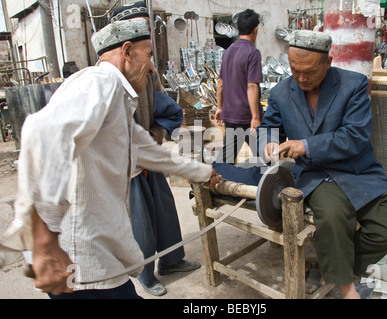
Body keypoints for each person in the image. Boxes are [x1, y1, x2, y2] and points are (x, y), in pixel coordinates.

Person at [1, 18, 221, 299]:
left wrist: (203, 173)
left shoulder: (117, 99)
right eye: (149, 55)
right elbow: (42, 132)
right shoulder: (100, 82)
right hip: (78, 259)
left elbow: (151, 152)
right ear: (127, 51)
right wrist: (45, 240)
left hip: (89, 256)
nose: (153, 68)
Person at [258, 30, 387, 299]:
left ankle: (337, 267)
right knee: (333, 217)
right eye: (294, 70)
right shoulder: (280, 92)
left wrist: (306, 145)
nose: (301, 78)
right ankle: (346, 288)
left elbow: (355, 135)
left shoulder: (354, 84)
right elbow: (268, 128)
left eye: (309, 71)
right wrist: (268, 144)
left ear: (328, 62)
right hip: (314, 175)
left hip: (357, 170)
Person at [110, 2, 200, 297]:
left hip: (150, 151)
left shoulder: (148, 67)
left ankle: (172, 261)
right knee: (140, 222)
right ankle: (144, 274)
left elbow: (164, 102)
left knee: (165, 211)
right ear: (124, 44)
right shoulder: (108, 78)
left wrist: (158, 135)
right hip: (129, 164)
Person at [214, 9, 263, 164]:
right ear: (255, 30)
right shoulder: (253, 53)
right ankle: (269, 185)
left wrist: (219, 107)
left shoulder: (228, 51)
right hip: (246, 117)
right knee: (266, 159)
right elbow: (252, 86)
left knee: (227, 158)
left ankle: (214, 183)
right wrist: (255, 117)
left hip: (230, 114)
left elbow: (220, 83)